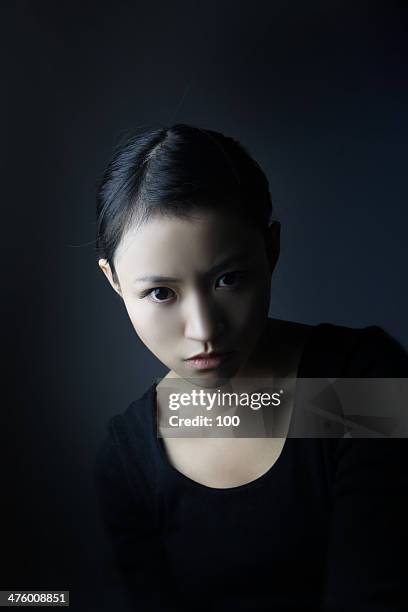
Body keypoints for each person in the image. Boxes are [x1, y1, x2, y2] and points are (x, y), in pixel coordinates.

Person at [94, 124, 408, 611]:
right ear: (114, 282)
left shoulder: (356, 382)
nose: (203, 329)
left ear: (271, 250)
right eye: (161, 292)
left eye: (228, 279)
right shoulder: (128, 457)